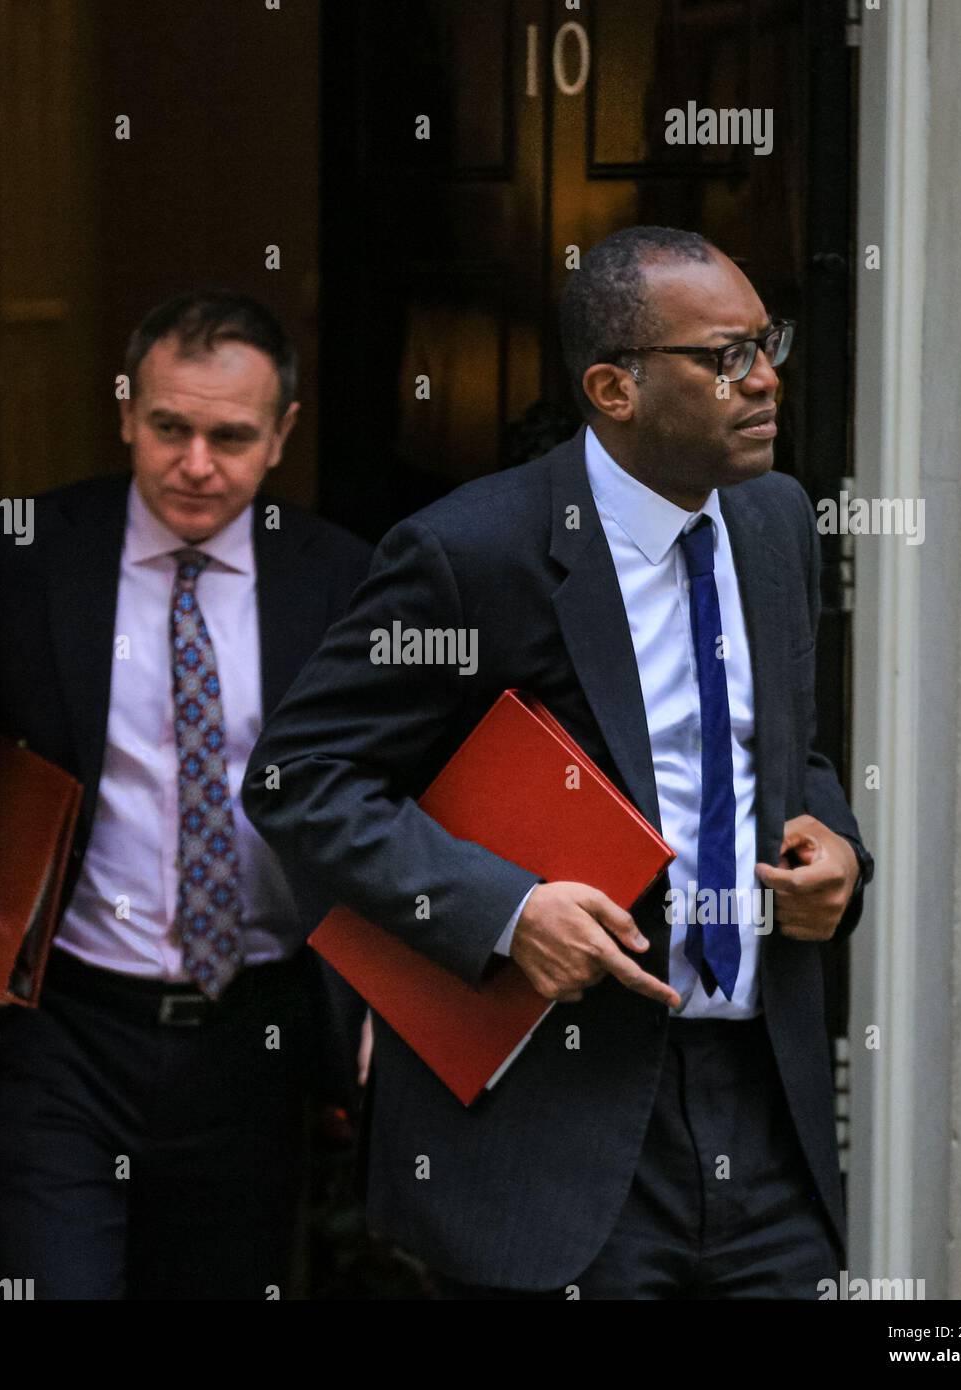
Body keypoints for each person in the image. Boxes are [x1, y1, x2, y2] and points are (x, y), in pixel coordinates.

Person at [242, 227, 875, 1299]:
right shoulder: (469, 553)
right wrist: (504, 909)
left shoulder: (776, 520)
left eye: (766, 342)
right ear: (612, 388)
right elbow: (300, 775)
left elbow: (785, 751)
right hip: (559, 1131)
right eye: (725, 357)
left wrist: (838, 851)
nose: (764, 376)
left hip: (762, 1110)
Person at [0, 288, 372, 1299]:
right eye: (170, 427)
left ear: (281, 437)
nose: (194, 463)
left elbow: (401, 795)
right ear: (127, 410)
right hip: (62, 1032)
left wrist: (390, 987)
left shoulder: (342, 582)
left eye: (230, 437)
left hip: (256, 1043)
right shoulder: (31, 558)